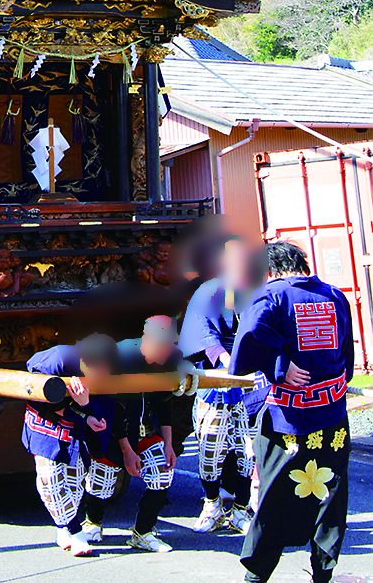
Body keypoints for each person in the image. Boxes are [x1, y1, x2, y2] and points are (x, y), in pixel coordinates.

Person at [229, 241, 354, 583]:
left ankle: (257, 576)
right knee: (329, 493)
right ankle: (322, 572)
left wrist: (279, 362)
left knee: (274, 494)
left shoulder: (272, 295)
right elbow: (347, 355)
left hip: (288, 416)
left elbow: (251, 333)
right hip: (331, 413)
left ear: (269, 270)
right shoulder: (335, 295)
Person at [83, 315, 199, 553]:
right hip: (114, 428)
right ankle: (92, 522)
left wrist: (168, 443)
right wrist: (127, 450)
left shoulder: (171, 359)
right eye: (163, 344)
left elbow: (165, 402)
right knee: (102, 481)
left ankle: (143, 532)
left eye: (172, 344)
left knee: (162, 472)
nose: (168, 350)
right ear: (148, 340)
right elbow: (115, 409)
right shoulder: (123, 359)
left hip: (147, 427)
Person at [179, 240, 255, 536]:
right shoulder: (209, 291)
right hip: (215, 380)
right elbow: (202, 333)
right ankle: (211, 505)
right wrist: (225, 360)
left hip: (250, 382)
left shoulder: (254, 291)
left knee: (245, 451)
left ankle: (240, 510)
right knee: (211, 448)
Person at [22, 334, 120, 557]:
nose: (103, 375)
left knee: (74, 485)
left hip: (75, 427)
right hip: (45, 424)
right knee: (51, 482)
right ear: (86, 361)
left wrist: (87, 412)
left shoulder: (109, 374)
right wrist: (67, 397)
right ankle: (76, 533)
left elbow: (100, 406)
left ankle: (62, 530)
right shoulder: (59, 359)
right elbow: (33, 381)